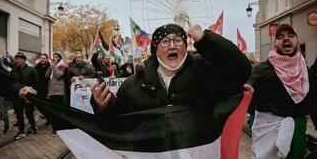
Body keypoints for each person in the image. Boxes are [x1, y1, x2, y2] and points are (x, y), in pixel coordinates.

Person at [90, 23, 251, 117]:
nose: (172, 45)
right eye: (165, 42)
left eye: (178, 40)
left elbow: (241, 69)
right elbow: (120, 124)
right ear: (156, 50)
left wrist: (205, 39)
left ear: (185, 47)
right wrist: (104, 107)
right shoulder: (133, 85)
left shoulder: (206, 74)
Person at [246, 24, 317, 159]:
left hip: (296, 135)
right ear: (275, 44)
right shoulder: (262, 70)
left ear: (297, 41)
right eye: (280, 37)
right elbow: (248, 103)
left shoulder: (307, 73)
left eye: (291, 35)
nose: (286, 38)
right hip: (267, 134)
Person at [10, 52, 39, 139]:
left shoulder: (31, 69)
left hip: (29, 96)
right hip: (18, 95)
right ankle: (21, 131)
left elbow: (37, 82)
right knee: (19, 113)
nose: (17, 61)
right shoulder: (14, 70)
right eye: (16, 59)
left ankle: (33, 127)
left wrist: (32, 92)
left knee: (29, 112)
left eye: (19, 59)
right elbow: (12, 82)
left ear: (24, 60)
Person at [45, 52, 69, 136]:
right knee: (53, 111)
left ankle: (56, 129)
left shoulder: (63, 66)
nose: (54, 58)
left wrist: (54, 66)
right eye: (54, 57)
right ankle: (56, 127)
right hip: (51, 91)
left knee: (58, 111)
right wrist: (51, 66)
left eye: (56, 57)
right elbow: (46, 75)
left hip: (59, 91)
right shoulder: (53, 66)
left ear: (60, 58)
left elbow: (58, 75)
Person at [35, 53, 50, 119]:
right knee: (39, 101)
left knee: (46, 101)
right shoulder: (37, 66)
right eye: (41, 58)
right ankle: (42, 113)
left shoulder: (49, 66)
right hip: (39, 86)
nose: (42, 60)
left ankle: (46, 115)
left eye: (44, 58)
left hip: (47, 86)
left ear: (47, 59)